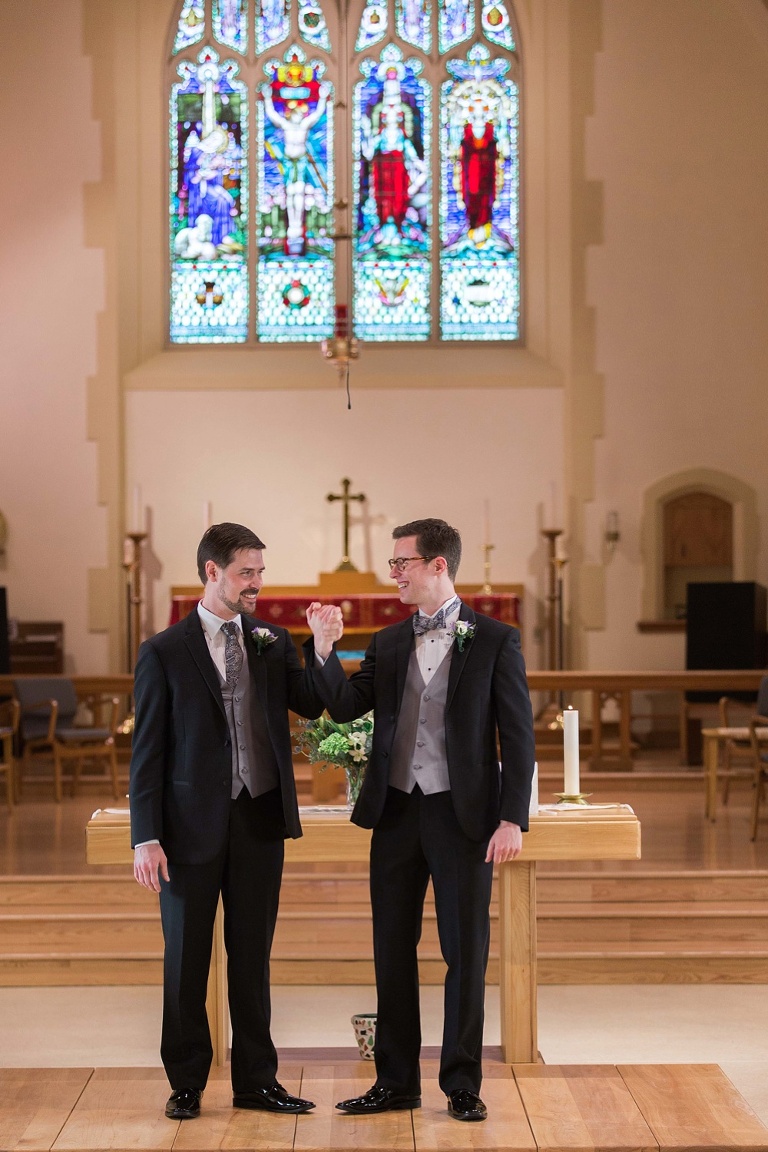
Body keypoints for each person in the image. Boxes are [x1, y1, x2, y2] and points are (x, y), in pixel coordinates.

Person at [306, 518, 535, 1122]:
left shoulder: (493, 640)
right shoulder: (386, 641)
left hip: (465, 818)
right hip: (398, 812)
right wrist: (325, 650)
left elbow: (518, 735)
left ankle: (462, 1083)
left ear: (438, 565)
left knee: (466, 951)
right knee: (392, 948)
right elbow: (349, 705)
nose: (394, 573)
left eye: (402, 562)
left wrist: (512, 818)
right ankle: (396, 1081)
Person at [130, 522, 332, 1122]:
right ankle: (187, 1081)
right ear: (212, 572)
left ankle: (256, 1082)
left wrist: (321, 649)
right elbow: (148, 749)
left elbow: (312, 702)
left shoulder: (271, 638)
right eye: (247, 572)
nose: (257, 584)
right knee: (187, 960)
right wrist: (146, 834)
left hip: (258, 821)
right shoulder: (164, 650)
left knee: (252, 958)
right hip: (188, 828)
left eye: (261, 572)